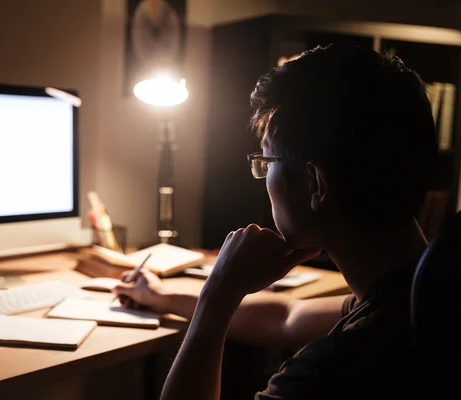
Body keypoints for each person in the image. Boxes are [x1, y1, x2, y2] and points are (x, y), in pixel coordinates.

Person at [113, 44, 439, 399]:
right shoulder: (428, 292)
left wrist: (218, 298)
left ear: (316, 185)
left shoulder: (331, 371)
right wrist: (161, 294)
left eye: (267, 162)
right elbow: (287, 317)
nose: (263, 176)